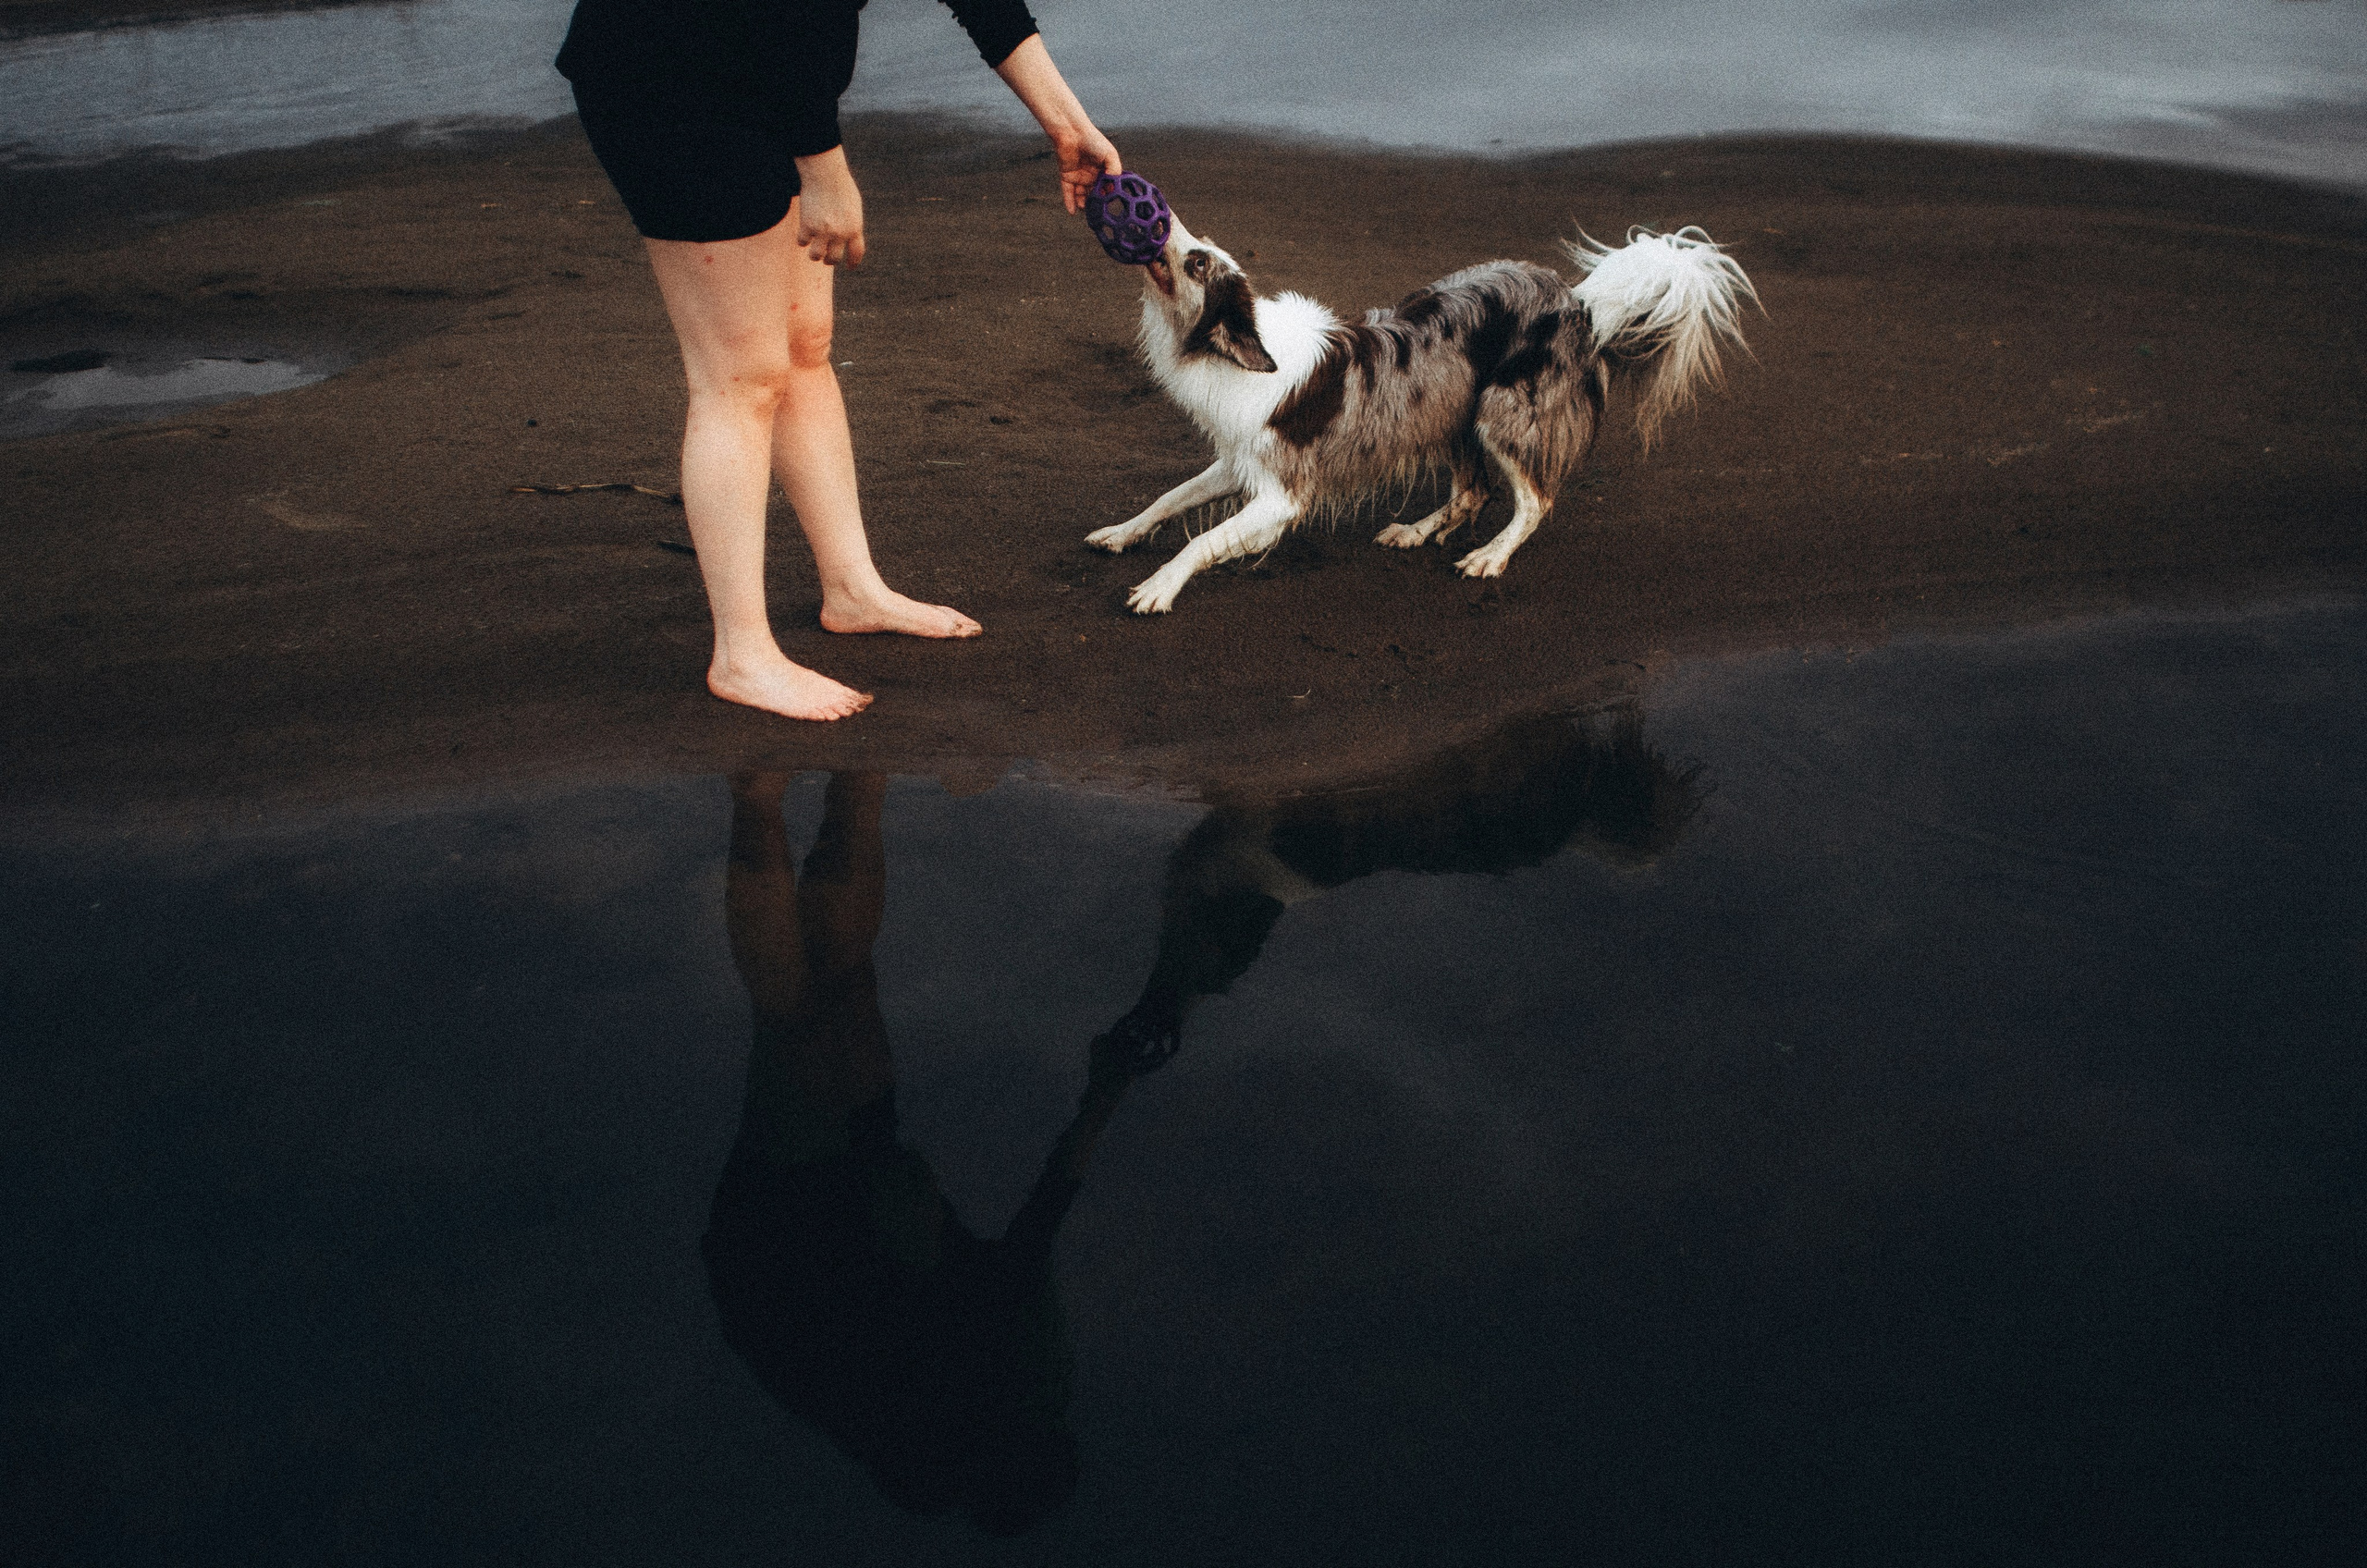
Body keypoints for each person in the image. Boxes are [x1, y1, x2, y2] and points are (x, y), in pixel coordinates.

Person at [556, 3, 1123, 720]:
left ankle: (852, 589)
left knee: (803, 347)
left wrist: (1067, 125)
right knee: (740, 376)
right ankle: (742, 654)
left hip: (765, 75)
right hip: (666, 75)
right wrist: (821, 167)